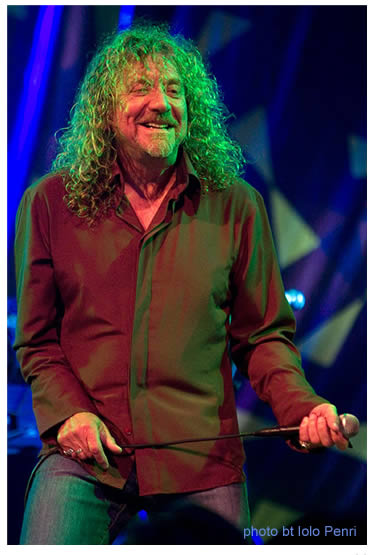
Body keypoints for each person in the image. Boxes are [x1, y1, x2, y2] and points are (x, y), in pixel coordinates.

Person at [13, 22, 348, 545]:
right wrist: (70, 416)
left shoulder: (236, 205)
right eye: (140, 88)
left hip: (200, 459)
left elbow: (262, 338)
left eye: (173, 89)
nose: (161, 103)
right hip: (88, 456)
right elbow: (37, 341)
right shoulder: (50, 203)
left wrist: (303, 409)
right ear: (105, 110)